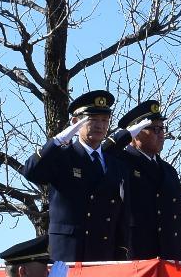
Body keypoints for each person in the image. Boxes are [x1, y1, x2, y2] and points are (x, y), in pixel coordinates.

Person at [24, 89, 128, 263]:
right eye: (92, 119)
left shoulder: (116, 164)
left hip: (104, 252)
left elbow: (122, 214)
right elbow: (32, 172)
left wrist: (121, 252)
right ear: (75, 122)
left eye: (105, 120)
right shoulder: (62, 156)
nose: (100, 125)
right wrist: (56, 142)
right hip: (69, 253)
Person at [109, 100, 181, 261]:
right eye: (154, 129)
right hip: (136, 254)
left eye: (162, 129)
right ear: (136, 133)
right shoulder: (121, 162)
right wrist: (124, 137)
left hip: (171, 255)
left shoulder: (169, 171)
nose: (161, 134)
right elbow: (103, 154)